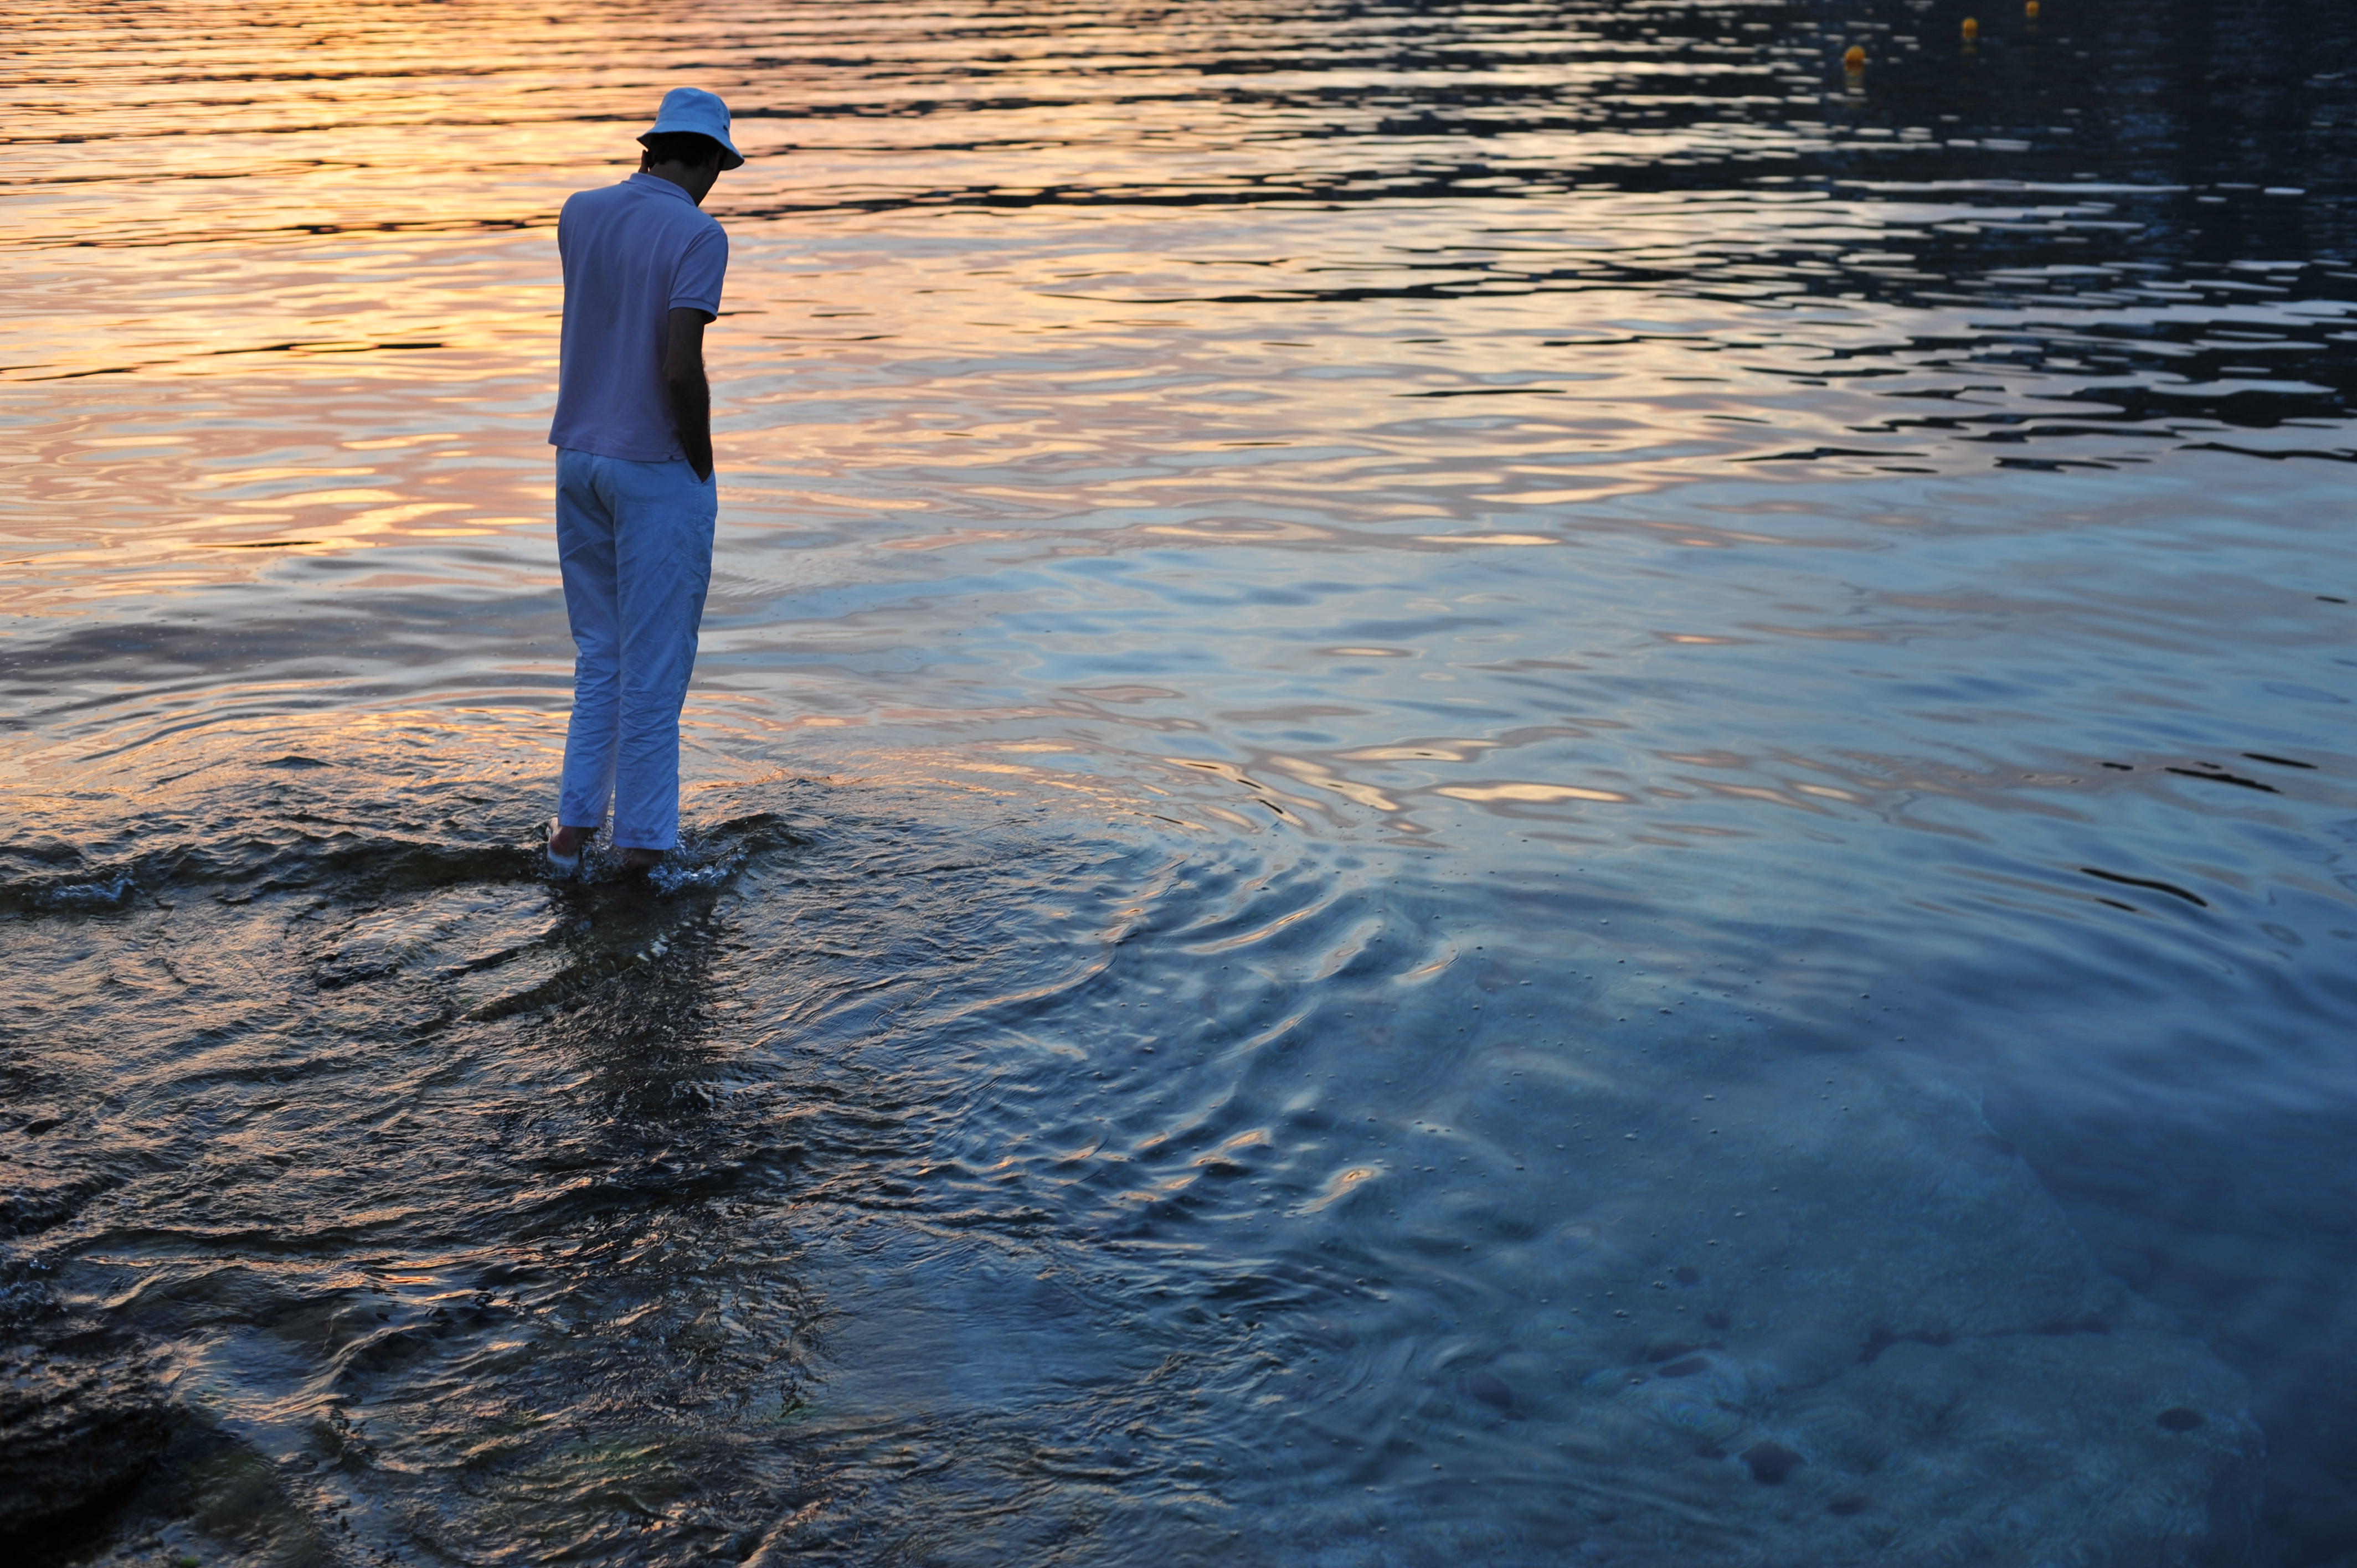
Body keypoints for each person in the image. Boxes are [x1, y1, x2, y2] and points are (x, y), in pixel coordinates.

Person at [544, 88, 743, 876]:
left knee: (603, 658)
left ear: (650, 147)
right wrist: (700, 458)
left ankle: (569, 839)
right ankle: (644, 852)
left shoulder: (578, 211)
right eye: (718, 168)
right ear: (707, 161)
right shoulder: (700, 234)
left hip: (576, 457)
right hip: (655, 467)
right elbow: (676, 365)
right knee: (657, 668)